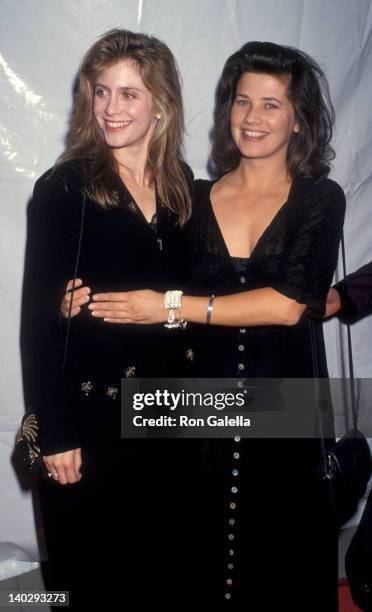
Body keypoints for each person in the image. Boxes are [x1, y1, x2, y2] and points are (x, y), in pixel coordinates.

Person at [22, 28, 198, 609]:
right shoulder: (66, 187)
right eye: (101, 92)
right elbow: (38, 323)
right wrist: (58, 433)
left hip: (171, 415)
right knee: (91, 579)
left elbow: (196, 300)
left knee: (164, 568)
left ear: (160, 105)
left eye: (129, 94)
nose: (111, 109)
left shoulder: (182, 190)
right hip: (92, 416)